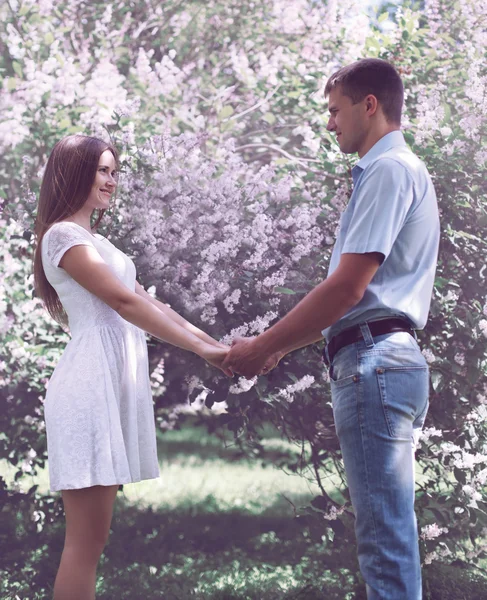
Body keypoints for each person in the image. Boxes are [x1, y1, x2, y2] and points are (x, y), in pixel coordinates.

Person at [223, 58, 440, 599]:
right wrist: (278, 351)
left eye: (334, 111)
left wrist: (263, 346)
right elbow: (354, 300)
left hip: (375, 364)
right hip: (383, 357)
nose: (329, 124)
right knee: (390, 536)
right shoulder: (395, 170)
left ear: (370, 105)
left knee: (385, 544)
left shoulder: (389, 170)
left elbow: (347, 290)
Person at [33, 134, 233, 600]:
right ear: (74, 173)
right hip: (86, 390)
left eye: (113, 170)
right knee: (84, 543)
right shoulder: (63, 236)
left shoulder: (98, 241)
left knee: (93, 541)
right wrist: (206, 354)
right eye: (102, 170)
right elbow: (123, 302)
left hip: (106, 386)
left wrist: (216, 346)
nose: (111, 179)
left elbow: (150, 303)